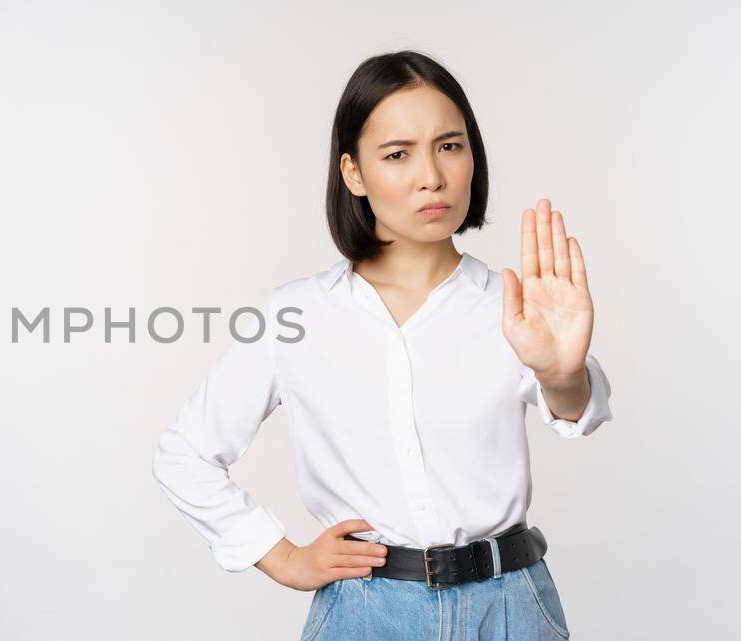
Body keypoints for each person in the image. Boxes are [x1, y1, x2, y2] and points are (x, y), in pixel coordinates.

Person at [150, 50, 613, 640]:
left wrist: (562, 373)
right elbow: (184, 452)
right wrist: (282, 555)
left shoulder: (512, 306)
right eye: (398, 154)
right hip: (368, 615)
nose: (432, 176)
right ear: (354, 173)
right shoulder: (297, 314)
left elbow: (578, 409)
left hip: (511, 610)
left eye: (450, 145)